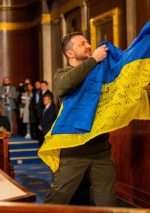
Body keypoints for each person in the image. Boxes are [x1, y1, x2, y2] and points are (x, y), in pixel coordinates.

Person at [44, 32, 116, 206]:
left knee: (107, 202)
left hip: (101, 150)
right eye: (82, 44)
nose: (89, 46)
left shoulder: (99, 75)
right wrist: (94, 61)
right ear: (70, 53)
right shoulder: (62, 73)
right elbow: (67, 84)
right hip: (73, 151)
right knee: (56, 200)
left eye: (88, 42)